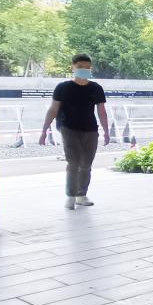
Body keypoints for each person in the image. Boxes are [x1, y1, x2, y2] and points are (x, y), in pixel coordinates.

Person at [40, 54, 109, 210]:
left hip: (90, 129)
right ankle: (71, 196)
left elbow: (102, 111)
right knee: (74, 162)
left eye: (87, 67)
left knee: (86, 163)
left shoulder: (96, 88)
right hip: (68, 128)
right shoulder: (63, 87)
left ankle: (81, 195)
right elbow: (53, 109)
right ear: (73, 67)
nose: (84, 70)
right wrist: (44, 131)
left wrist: (106, 131)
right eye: (80, 67)